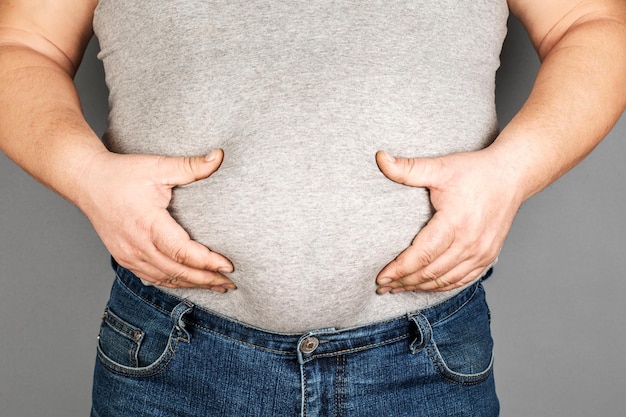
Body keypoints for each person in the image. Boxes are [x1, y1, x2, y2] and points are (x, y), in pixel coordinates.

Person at [1, 0, 624, 416]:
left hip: (424, 361)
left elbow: (592, 22)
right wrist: (86, 175)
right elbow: (22, 43)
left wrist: (512, 172)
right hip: (173, 360)